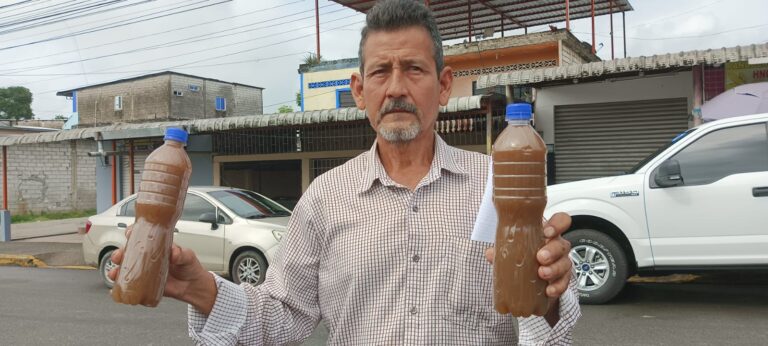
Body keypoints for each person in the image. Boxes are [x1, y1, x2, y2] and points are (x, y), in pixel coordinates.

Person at [110, 0, 580, 344]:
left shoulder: (497, 186)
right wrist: (202, 288)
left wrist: (553, 291)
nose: (396, 88)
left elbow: (542, 324)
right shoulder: (324, 197)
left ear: (442, 85)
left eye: (413, 69)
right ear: (358, 90)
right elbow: (279, 318)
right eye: (381, 72)